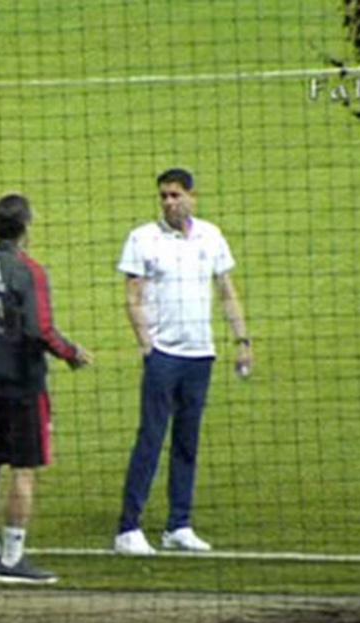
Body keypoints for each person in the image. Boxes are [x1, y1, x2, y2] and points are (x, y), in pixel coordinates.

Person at [0, 193, 93, 583]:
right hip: (23, 386)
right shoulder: (29, 272)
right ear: (25, 228)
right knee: (24, 470)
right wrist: (71, 353)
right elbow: (39, 329)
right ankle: (12, 559)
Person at [113, 168, 252, 556]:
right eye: (163, 196)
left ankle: (179, 524)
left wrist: (242, 340)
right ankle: (128, 528)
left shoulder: (211, 235)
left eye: (175, 195)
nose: (169, 202)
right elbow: (133, 297)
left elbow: (227, 292)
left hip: (200, 355)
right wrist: (147, 347)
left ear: (193, 196)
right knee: (151, 439)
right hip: (164, 357)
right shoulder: (143, 238)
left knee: (187, 443)